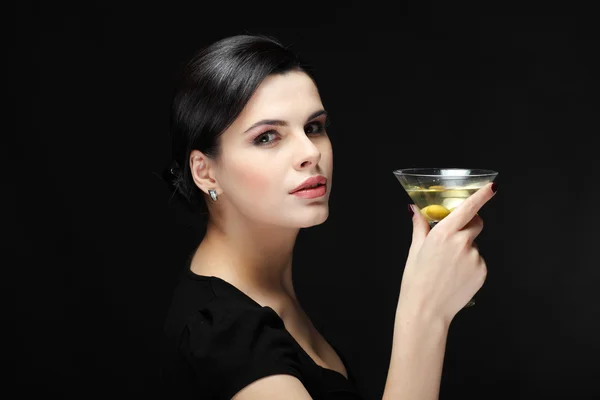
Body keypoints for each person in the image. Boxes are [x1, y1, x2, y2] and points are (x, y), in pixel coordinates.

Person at [159, 34, 497, 400]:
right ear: (205, 172)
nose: (309, 152)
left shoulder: (266, 296)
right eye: (268, 137)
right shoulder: (225, 333)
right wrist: (428, 313)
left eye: (314, 127)